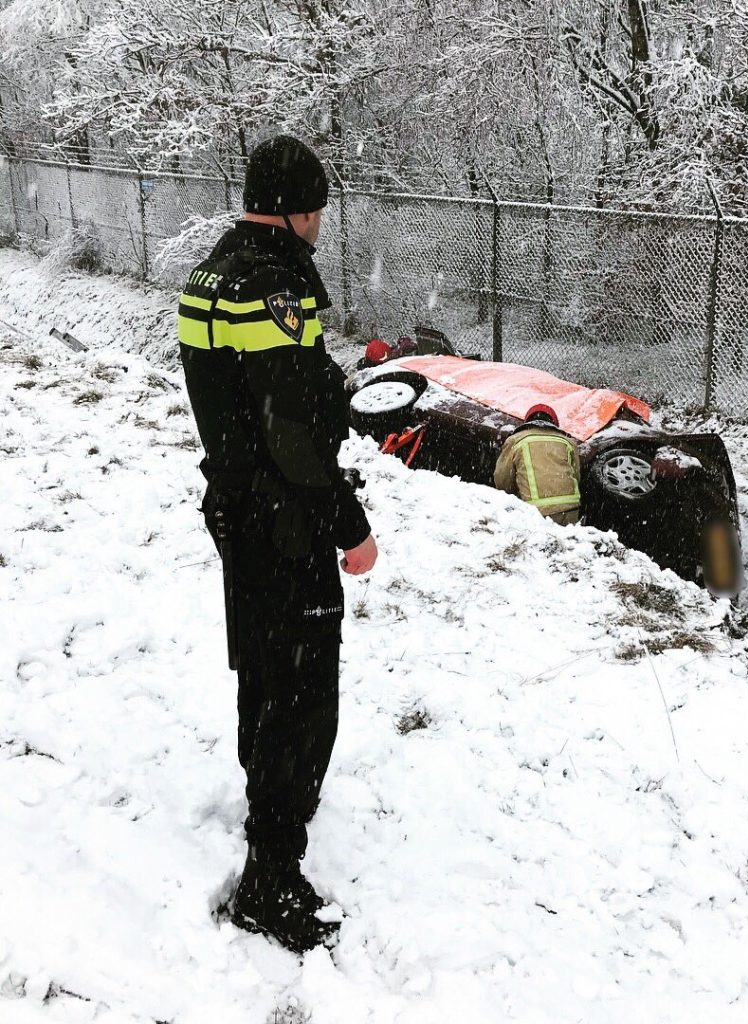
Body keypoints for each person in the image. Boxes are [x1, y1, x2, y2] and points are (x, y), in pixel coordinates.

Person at [176, 134, 377, 954]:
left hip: (234, 505)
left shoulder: (214, 271)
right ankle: (271, 875)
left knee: (262, 661)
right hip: (284, 514)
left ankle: (271, 793)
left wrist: (334, 385)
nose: (321, 223)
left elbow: (255, 389)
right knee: (302, 681)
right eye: (318, 209)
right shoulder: (275, 285)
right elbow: (290, 435)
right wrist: (350, 528)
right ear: (297, 208)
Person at [493, 404, 582, 525]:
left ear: (528, 421)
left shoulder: (516, 440)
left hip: (537, 511)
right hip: (570, 507)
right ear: (554, 422)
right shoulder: (568, 442)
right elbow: (576, 475)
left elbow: (502, 478)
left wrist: (513, 495)